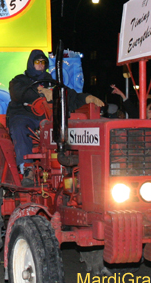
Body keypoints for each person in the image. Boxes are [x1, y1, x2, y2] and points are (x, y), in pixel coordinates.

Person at [7, 50, 103, 184]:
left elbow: (69, 95)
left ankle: (68, 168)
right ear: (31, 63)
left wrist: (86, 97)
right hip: (24, 115)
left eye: (43, 62)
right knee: (20, 127)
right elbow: (19, 93)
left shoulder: (51, 82)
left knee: (65, 127)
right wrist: (40, 91)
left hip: (47, 119)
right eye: (37, 62)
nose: (40, 65)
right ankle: (27, 168)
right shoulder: (19, 80)